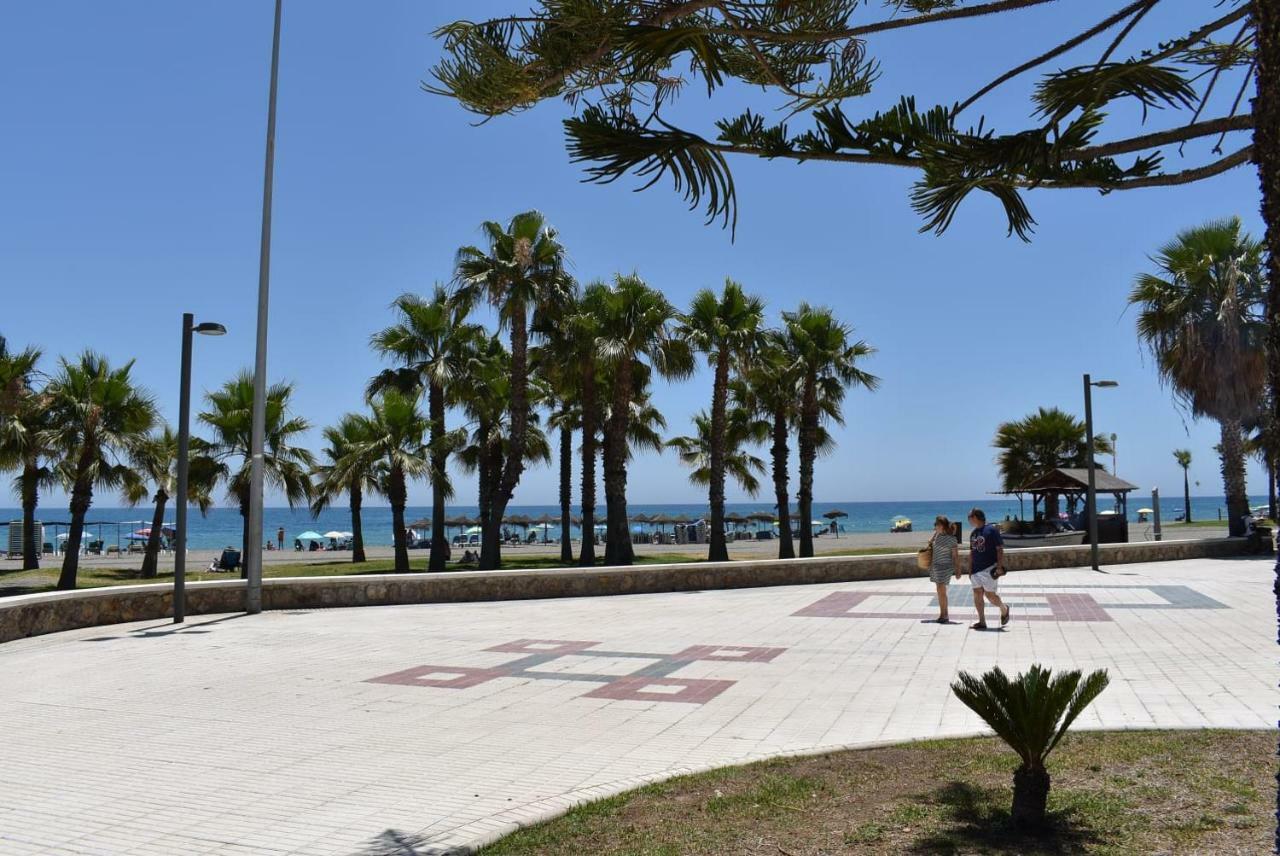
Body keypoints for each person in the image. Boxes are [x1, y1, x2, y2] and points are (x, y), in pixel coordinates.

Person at [966, 507, 1011, 630]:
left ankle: (1004, 608)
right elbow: (971, 552)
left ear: (975, 517)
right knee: (977, 594)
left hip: (989, 568)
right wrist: (969, 569)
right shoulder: (973, 533)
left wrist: (999, 567)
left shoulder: (991, 530)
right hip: (975, 569)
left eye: (969, 517)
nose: (968, 520)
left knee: (990, 596)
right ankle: (982, 621)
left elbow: (999, 549)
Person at [926, 515, 961, 623]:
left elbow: (955, 556)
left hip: (945, 567)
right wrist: (936, 532)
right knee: (940, 591)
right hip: (935, 566)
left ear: (941, 525)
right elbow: (929, 542)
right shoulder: (937, 536)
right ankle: (943, 614)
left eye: (936, 524)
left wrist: (958, 570)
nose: (935, 526)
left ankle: (944, 615)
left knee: (941, 590)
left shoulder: (952, 539)